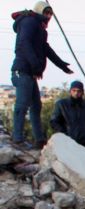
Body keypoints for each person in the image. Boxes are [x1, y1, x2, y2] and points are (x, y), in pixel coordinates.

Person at [10, 1, 72, 149]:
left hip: (30, 73)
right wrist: (36, 65)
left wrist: (62, 65)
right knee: (22, 105)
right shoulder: (29, 22)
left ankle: (39, 140)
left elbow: (46, 49)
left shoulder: (41, 29)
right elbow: (24, 43)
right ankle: (17, 138)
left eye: (50, 13)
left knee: (36, 106)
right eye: (46, 13)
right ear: (39, 11)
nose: (49, 16)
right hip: (23, 71)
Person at [49, 80, 85, 150]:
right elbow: (54, 121)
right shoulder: (62, 104)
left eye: (79, 91)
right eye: (74, 90)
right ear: (70, 91)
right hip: (70, 143)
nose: (76, 93)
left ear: (82, 92)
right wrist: (65, 134)